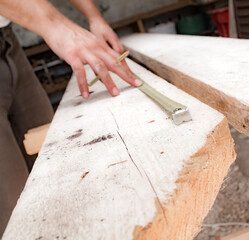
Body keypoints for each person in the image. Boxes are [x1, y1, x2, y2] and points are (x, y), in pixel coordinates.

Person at [0, 0, 142, 236]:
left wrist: (94, 17)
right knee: (10, 203)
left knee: (57, 165)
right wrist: (55, 25)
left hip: (7, 39)